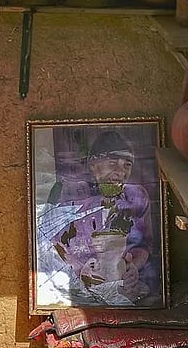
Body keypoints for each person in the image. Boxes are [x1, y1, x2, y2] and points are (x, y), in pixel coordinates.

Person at [35, 129, 157, 306]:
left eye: (127, 165)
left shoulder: (136, 197)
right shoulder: (71, 193)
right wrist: (79, 270)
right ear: (93, 164)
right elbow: (49, 244)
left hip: (124, 289)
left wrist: (132, 268)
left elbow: (144, 244)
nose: (120, 172)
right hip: (71, 291)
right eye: (113, 163)